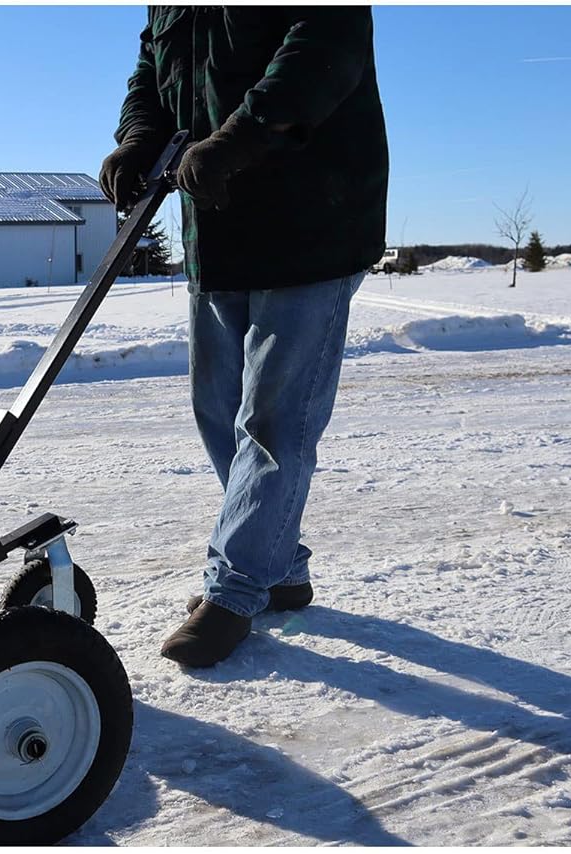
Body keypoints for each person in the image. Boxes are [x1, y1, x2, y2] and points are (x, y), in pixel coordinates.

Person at [99, 7, 389, 667]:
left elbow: (324, 45)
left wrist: (239, 137)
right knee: (218, 410)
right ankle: (279, 567)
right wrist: (140, 138)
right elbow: (153, 68)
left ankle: (234, 589)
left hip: (313, 219)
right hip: (219, 226)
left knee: (274, 422)